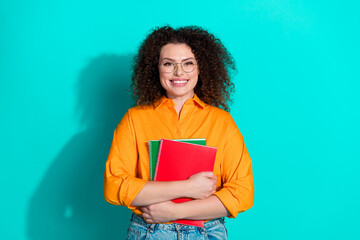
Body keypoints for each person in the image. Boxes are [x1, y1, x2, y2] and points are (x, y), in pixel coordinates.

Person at [103, 26, 254, 239]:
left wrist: (176, 212)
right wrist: (188, 187)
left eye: (188, 63)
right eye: (168, 64)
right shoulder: (135, 119)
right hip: (150, 231)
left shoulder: (222, 122)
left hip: (207, 232)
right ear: (156, 68)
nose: (179, 72)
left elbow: (243, 193)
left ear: (201, 68)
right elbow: (114, 186)